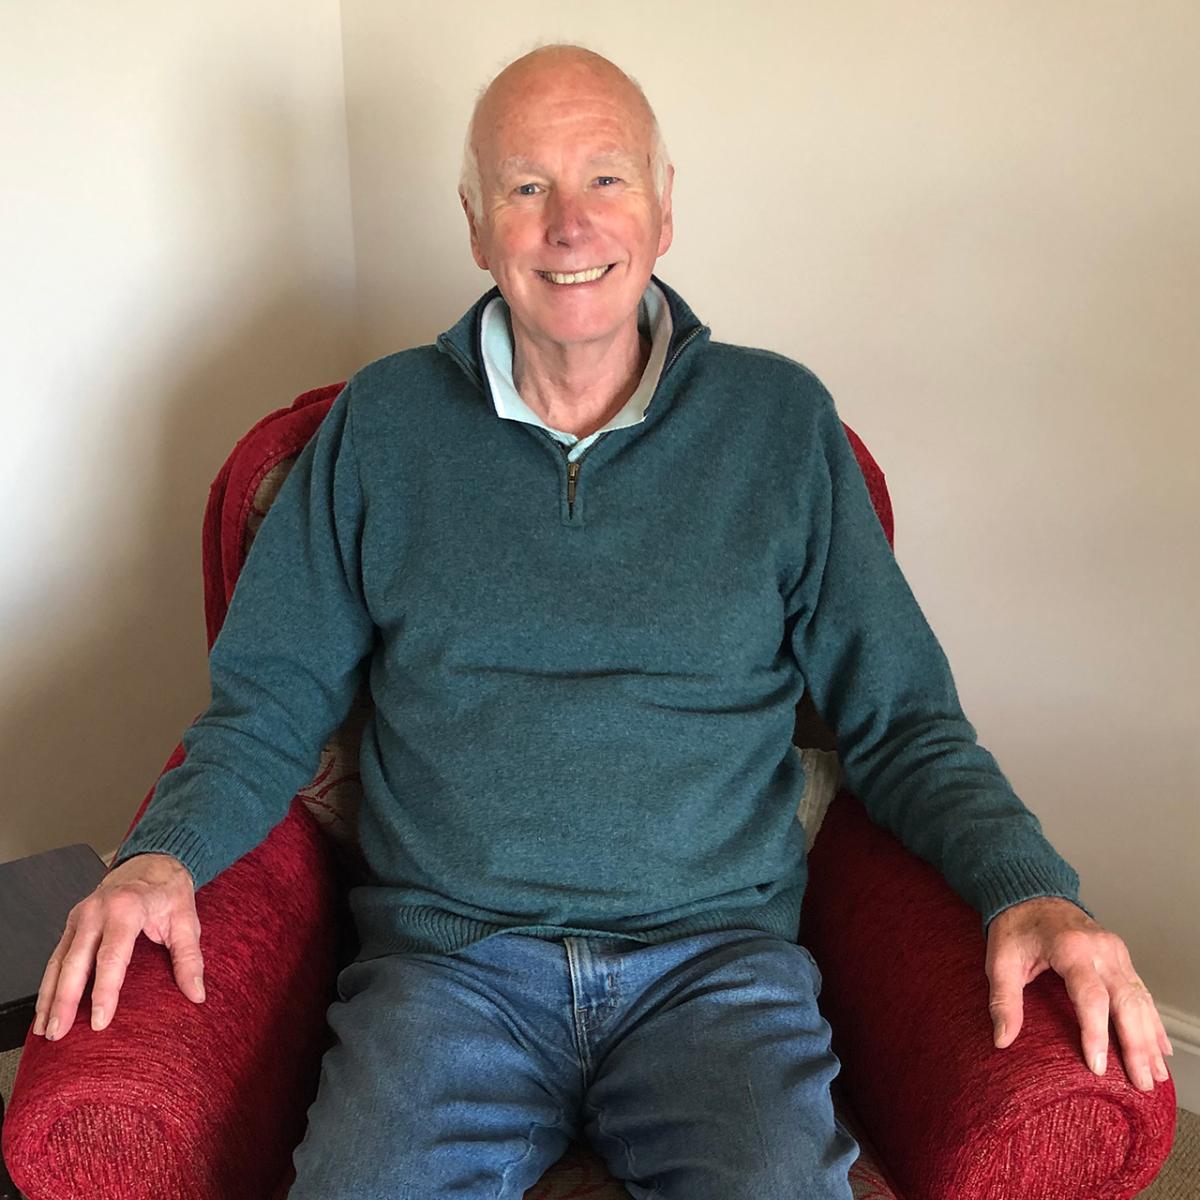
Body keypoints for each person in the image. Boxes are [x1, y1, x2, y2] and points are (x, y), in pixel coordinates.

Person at [33, 43, 1172, 1200]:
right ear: (477, 227)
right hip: (449, 974)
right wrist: (156, 857)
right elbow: (262, 707)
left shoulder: (778, 425)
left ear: (665, 210)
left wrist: (1033, 888)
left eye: (607, 179)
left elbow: (905, 722)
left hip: (717, 974)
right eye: (527, 187)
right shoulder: (380, 429)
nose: (569, 225)